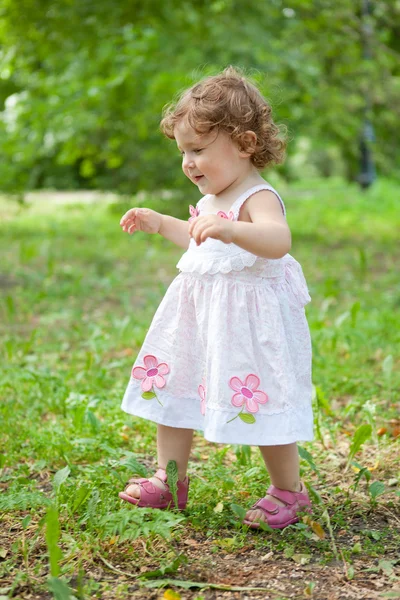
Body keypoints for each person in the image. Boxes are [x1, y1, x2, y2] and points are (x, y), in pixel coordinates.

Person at [118, 67, 313, 529]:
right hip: (199, 320)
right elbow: (196, 237)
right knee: (174, 391)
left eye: (199, 150)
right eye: (184, 151)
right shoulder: (210, 199)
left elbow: (277, 240)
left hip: (249, 326)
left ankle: (288, 490)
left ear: (245, 144)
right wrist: (159, 221)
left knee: (263, 401)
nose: (188, 162)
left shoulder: (256, 195)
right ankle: (169, 481)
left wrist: (231, 227)